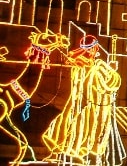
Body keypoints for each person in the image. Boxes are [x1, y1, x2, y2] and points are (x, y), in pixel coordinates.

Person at [42, 34, 121, 163]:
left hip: (93, 105)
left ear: (96, 49)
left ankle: (77, 155)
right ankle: (58, 153)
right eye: (86, 49)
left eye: (91, 49)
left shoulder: (100, 65)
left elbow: (114, 82)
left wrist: (111, 71)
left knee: (82, 130)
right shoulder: (81, 62)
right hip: (77, 101)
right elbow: (72, 59)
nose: (88, 52)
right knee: (61, 126)